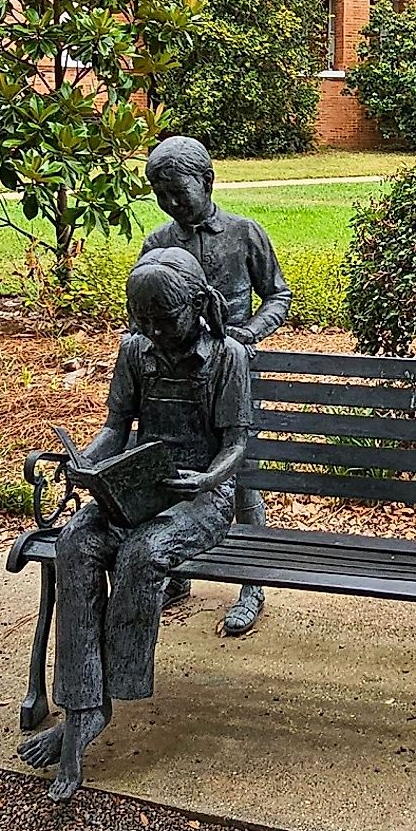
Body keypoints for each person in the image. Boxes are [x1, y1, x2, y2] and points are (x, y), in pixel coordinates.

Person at [17, 248, 251, 800]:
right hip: (137, 490)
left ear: (196, 305)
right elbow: (116, 427)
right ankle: (83, 706)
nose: (152, 331)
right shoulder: (135, 352)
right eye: (141, 320)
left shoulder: (227, 357)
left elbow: (237, 443)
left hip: (201, 499)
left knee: (142, 555)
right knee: (76, 542)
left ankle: (109, 701)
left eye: (163, 320)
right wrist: (89, 466)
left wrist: (206, 480)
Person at [140, 135, 290, 637]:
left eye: (179, 192)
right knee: (175, 466)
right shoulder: (158, 243)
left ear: (207, 181)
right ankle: (176, 570)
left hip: (234, 368)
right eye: (161, 196)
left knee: (240, 472)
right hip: (177, 377)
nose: (171, 204)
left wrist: (247, 335)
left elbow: (278, 296)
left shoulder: (245, 233)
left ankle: (251, 582)